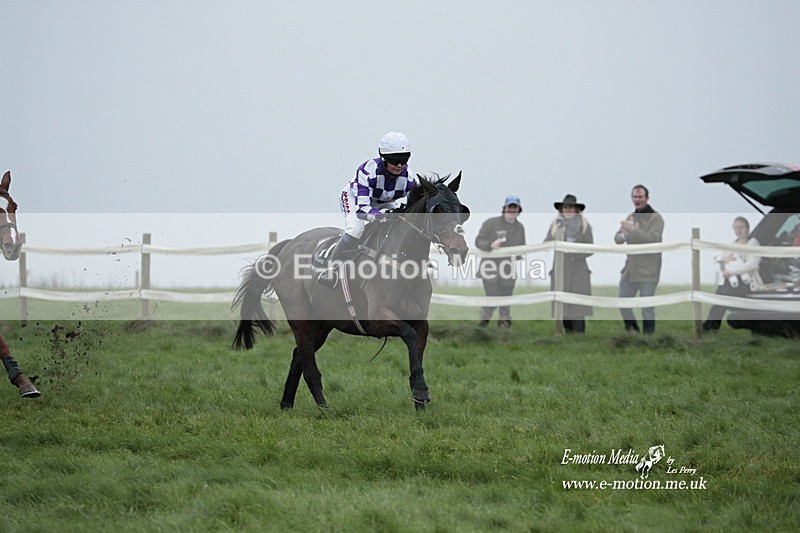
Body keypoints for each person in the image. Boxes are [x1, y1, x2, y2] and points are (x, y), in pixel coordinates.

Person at [321, 131, 417, 281]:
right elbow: (362, 210)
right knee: (355, 229)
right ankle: (331, 269)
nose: (399, 165)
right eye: (395, 160)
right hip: (356, 199)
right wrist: (383, 215)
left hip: (382, 201)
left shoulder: (409, 178)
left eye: (403, 159)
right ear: (384, 158)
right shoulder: (367, 171)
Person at [614, 184, 664, 334]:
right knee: (623, 301)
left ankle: (649, 338)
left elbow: (653, 239)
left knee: (647, 306)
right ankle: (632, 331)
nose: (637, 200)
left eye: (640, 197)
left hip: (649, 270)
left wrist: (633, 230)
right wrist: (625, 235)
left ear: (647, 198)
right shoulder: (630, 217)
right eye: (635, 197)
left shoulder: (656, 218)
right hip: (630, 269)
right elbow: (617, 238)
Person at [544, 194, 593, 333]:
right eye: (565, 207)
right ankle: (567, 334)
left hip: (579, 270)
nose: (568, 210)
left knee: (578, 305)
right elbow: (546, 244)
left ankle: (579, 334)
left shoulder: (585, 225)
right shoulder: (555, 224)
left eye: (571, 207)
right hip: (561, 269)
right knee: (562, 304)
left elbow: (590, 249)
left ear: (576, 209)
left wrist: (574, 252)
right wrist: (555, 235)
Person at [702, 217, 761, 331]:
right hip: (731, 280)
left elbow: (752, 264)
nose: (739, 231)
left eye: (741, 227)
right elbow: (720, 257)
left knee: (721, 298)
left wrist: (731, 272)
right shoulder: (734, 244)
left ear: (747, 228)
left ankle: (709, 328)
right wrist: (723, 258)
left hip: (747, 282)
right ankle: (709, 328)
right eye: (736, 228)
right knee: (719, 298)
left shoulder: (753, 243)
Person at [475, 195, 526, 327]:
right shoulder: (490, 223)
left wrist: (520, 255)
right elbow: (478, 241)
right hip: (489, 268)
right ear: (504, 208)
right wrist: (490, 245)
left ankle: (504, 329)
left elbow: (522, 247)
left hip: (508, 270)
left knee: (506, 300)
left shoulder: (520, 228)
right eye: (510, 207)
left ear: (519, 210)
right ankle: (482, 324)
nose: (512, 210)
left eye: (515, 208)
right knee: (493, 297)